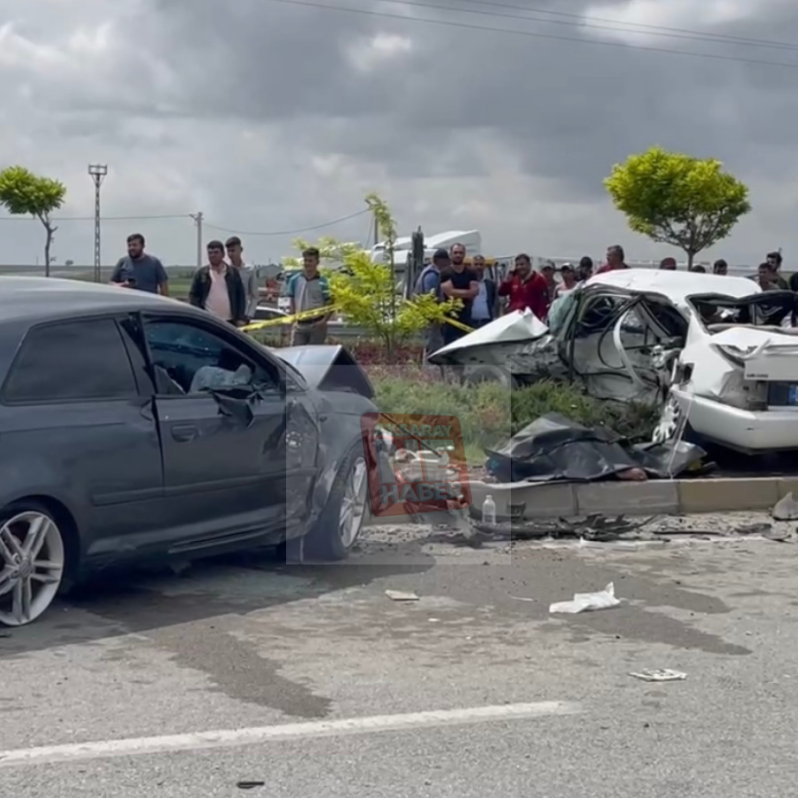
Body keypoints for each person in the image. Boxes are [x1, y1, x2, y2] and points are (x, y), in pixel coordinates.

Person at [189, 240, 247, 326]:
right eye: (210, 253)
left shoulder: (232, 273)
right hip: (209, 321)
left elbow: (240, 296)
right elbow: (193, 296)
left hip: (230, 321)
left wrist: (240, 317)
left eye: (216, 252)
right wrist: (200, 314)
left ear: (223, 254)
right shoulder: (202, 274)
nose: (213, 255)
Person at [286, 247, 333, 345]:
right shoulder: (295, 280)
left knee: (313, 355)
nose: (307, 263)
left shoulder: (323, 281)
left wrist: (324, 320)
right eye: (305, 260)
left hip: (317, 324)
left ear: (317, 262)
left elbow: (330, 302)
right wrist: (292, 318)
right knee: (295, 353)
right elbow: (292, 300)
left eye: (310, 261)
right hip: (299, 324)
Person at [440, 243, 479, 345]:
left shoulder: (471, 272)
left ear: (464, 254)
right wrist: (468, 293)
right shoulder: (445, 273)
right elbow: (449, 293)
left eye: (461, 253)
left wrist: (456, 292)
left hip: (467, 317)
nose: (458, 255)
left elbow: (475, 292)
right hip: (449, 318)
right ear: (451, 255)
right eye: (455, 253)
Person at [414, 248, 449, 359]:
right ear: (441, 261)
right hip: (431, 317)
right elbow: (431, 296)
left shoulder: (428, 272)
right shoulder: (432, 275)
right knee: (434, 347)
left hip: (428, 316)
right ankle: (430, 373)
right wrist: (437, 311)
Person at [497, 253, 548, 319]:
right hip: (515, 318)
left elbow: (544, 301)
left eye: (522, 264)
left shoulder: (538, 279)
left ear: (529, 265)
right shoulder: (514, 279)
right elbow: (501, 292)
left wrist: (540, 317)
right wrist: (507, 280)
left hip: (531, 319)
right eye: (517, 265)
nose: (519, 267)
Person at [225, 237, 260, 320]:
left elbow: (254, 295)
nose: (231, 254)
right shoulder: (225, 270)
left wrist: (249, 314)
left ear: (240, 250)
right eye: (229, 251)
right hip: (226, 314)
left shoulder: (249, 270)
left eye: (233, 251)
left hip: (243, 314)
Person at [469, 255, 498, 328]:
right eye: (476, 264)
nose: (478, 267)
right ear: (471, 266)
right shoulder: (466, 283)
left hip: (487, 322)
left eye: (481, 264)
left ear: (484, 266)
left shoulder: (490, 284)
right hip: (470, 322)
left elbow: (495, 302)